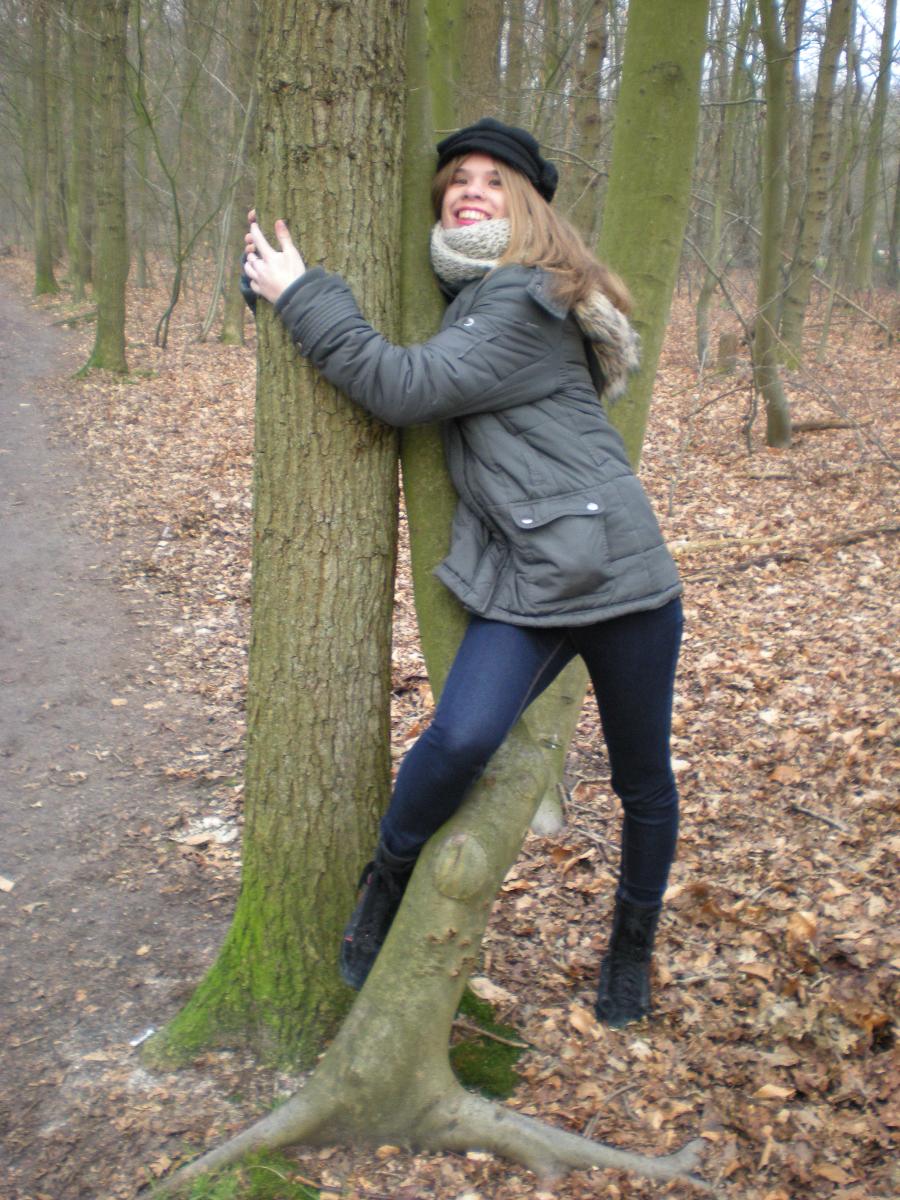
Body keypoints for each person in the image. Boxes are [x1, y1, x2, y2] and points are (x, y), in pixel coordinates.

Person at [242, 118, 683, 1028]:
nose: (468, 191)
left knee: (642, 779)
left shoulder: (522, 296)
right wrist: (264, 294)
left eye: (491, 180)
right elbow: (429, 367)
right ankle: (386, 880)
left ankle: (632, 947)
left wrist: (303, 293)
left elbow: (403, 388)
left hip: (622, 577)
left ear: (526, 207)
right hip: (532, 575)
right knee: (459, 738)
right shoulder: (473, 300)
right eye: (456, 180)